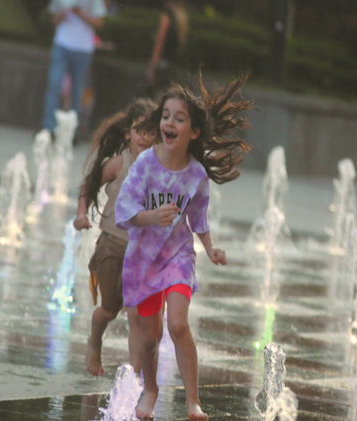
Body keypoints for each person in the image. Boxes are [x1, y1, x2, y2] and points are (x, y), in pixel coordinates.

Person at [114, 74, 253, 420]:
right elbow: (124, 211)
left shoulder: (196, 175)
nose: (169, 123)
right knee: (149, 339)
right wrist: (153, 216)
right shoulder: (145, 163)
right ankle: (151, 390)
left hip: (177, 256)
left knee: (177, 325)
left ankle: (193, 401)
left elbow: (198, 219)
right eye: (165, 116)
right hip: (143, 260)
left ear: (193, 132)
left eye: (179, 118)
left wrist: (211, 248)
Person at [74, 98, 157, 377]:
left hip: (142, 252)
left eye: (150, 131)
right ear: (127, 133)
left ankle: (135, 377)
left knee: (136, 314)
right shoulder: (119, 164)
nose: (143, 137)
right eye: (138, 130)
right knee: (110, 309)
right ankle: (95, 340)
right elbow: (89, 184)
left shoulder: (161, 168)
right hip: (112, 245)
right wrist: (81, 213)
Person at [42, 0, 107, 137]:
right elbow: (54, 20)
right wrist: (64, 14)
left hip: (83, 49)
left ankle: (73, 130)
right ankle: (48, 127)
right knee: (54, 84)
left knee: (78, 90)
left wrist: (81, 14)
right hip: (62, 44)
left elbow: (99, 23)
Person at [145, 0, 188, 97]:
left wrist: (152, 67)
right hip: (171, 66)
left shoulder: (167, 17)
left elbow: (159, 43)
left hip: (161, 65)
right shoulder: (180, 19)